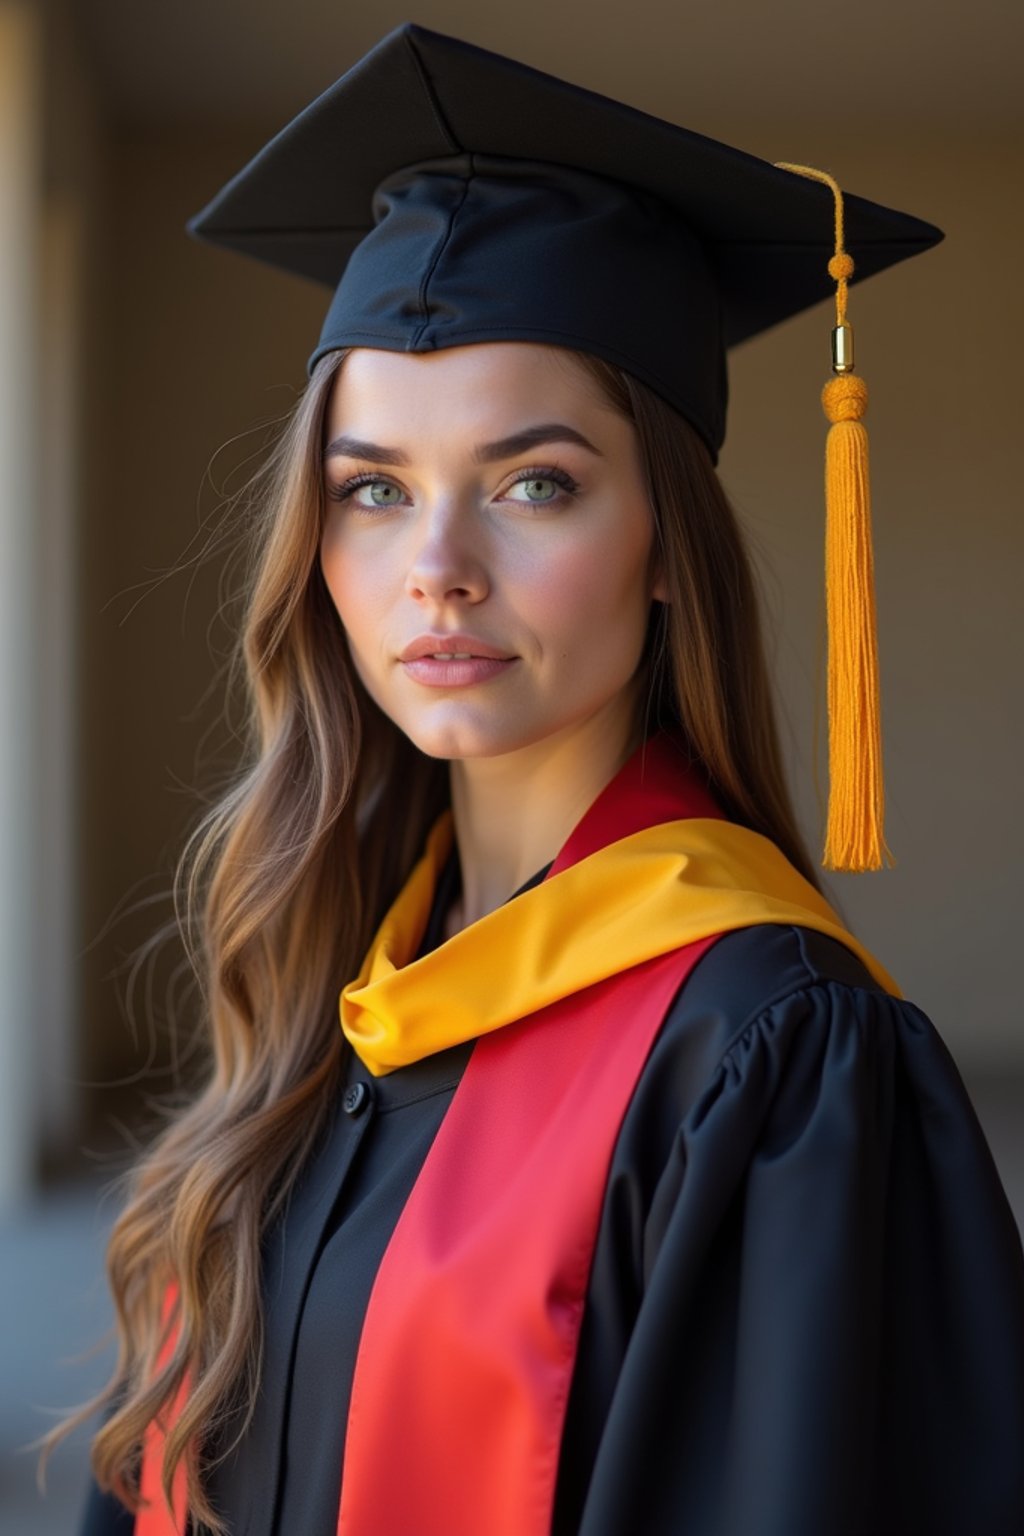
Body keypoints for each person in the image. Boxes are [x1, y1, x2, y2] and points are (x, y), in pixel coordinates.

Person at [58, 21, 1024, 1536]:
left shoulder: (771, 1059)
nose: (435, 570)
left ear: (663, 551)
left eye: (534, 484)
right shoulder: (337, 987)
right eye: (373, 490)